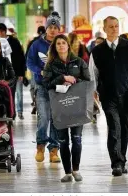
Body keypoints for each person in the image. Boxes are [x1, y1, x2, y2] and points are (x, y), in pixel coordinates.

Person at [89, 16, 128, 176]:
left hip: (127, 94)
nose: (114, 29)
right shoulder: (97, 51)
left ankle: (122, 159)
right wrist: (92, 95)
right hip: (107, 95)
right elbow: (92, 75)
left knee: (125, 127)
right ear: (104, 28)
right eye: (110, 27)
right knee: (114, 127)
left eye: (116, 26)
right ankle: (116, 163)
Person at [43, 34, 90, 182]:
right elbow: (46, 85)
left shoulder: (79, 62)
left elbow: (88, 81)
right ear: (55, 47)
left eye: (63, 43)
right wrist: (62, 78)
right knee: (63, 141)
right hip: (60, 107)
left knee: (77, 139)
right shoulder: (50, 65)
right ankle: (67, 172)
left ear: (68, 45)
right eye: (58, 44)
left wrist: (74, 81)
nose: (61, 46)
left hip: (77, 106)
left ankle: (76, 170)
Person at [27, 11, 62, 163]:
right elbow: (29, 62)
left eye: (56, 27)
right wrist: (39, 71)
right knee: (44, 118)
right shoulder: (37, 44)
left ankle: (54, 150)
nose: (53, 29)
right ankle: (40, 147)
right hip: (41, 86)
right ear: (46, 28)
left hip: (59, 88)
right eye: (50, 27)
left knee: (56, 119)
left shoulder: (61, 43)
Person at [0, 23, 26, 120]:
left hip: (15, 72)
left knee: (16, 93)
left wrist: (21, 73)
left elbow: (21, 57)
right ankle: (10, 113)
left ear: (3, 32)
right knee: (7, 93)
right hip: (4, 74)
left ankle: (16, 112)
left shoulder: (14, 41)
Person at [27, 26, 46, 115]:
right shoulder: (48, 42)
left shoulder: (33, 42)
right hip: (43, 68)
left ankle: (36, 103)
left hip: (35, 68)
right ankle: (38, 103)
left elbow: (27, 56)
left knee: (33, 87)